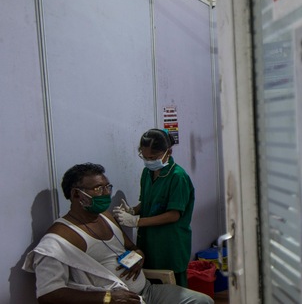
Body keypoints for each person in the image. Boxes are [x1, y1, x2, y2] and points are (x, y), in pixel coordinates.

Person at [22, 163, 213, 304]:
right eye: (98, 189)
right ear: (76, 194)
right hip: (115, 300)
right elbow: (48, 295)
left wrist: (139, 255)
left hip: (147, 291)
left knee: (203, 302)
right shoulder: (58, 239)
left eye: (107, 187)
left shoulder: (105, 217)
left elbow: (132, 247)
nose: (106, 193)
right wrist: (106, 297)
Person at [114, 128, 195, 287]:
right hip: (149, 240)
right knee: (152, 283)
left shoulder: (178, 177)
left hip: (170, 241)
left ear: (168, 152)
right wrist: (132, 210)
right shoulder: (147, 173)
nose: (149, 161)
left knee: (174, 288)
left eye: (153, 157)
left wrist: (137, 222)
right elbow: (149, 202)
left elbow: (173, 215)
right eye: (145, 157)